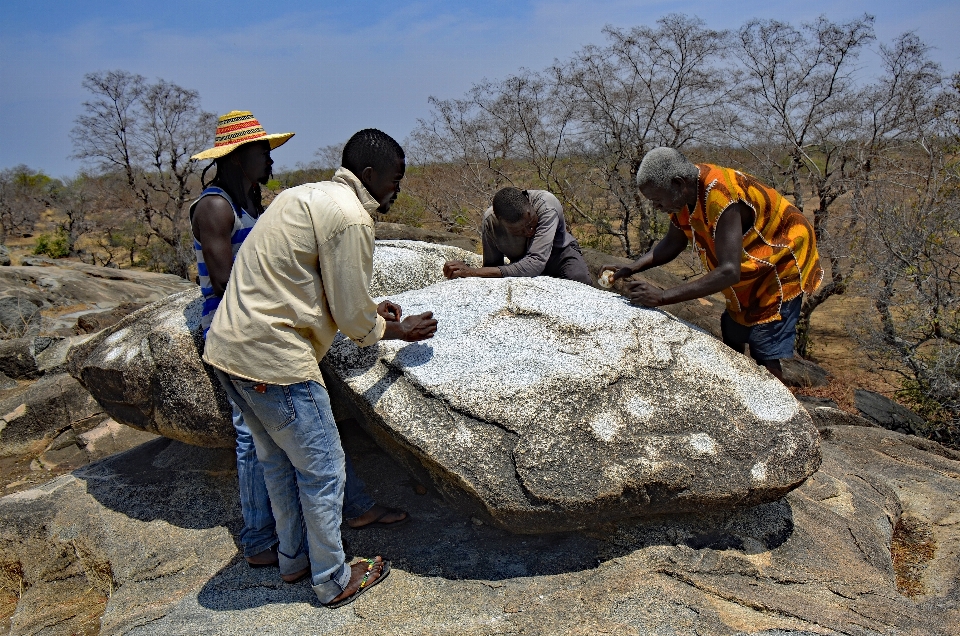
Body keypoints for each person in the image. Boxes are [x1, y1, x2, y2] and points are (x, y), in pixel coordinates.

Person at [202, 128, 438, 607]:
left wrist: (370, 309)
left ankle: (292, 561)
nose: (397, 189)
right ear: (370, 177)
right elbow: (350, 314)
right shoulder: (351, 217)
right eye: (395, 179)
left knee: (276, 461)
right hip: (274, 359)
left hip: (229, 347)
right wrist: (396, 330)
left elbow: (311, 283)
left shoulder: (302, 195)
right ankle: (332, 578)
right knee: (325, 470)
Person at [602, 147, 823, 382]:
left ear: (678, 184)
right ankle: (735, 388)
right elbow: (673, 242)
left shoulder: (721, 195)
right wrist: (631, 267)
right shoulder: (685, 196)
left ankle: (780, 409)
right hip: (752, 262)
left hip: (782, 258)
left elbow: (729, 272)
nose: (656, 207)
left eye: (657, 199)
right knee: (732, 328)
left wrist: (662, 297)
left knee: (764, 342)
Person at [190, 110, 294, 568]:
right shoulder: (215, 206)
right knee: (251, 434)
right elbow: (222, 279)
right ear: (237, 156)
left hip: (261, 323)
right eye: (263, 152)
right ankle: (257, 539)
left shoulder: (253, 202)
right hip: (235, 330)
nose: (270, 161)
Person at [443, 187, 591, 284]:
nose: (529, 232)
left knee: (580, 279)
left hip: (560, 254)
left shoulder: (547, 204)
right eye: (519, 231)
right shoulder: (490, 222)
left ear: (529, 206)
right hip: (522, 261)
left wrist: (472, 272)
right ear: (500, 222)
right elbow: (492, 266)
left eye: (531, 222)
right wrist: (468, 273)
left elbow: (536, 263)